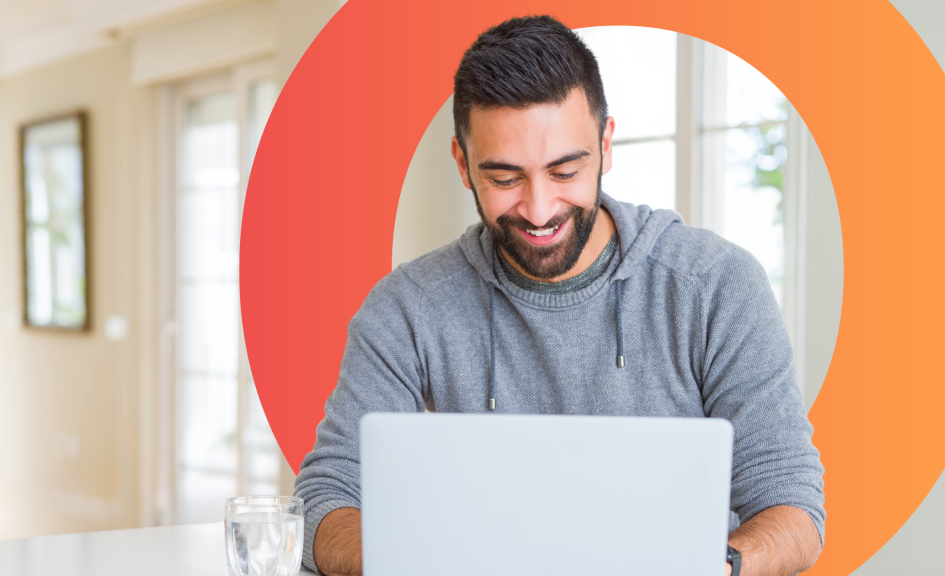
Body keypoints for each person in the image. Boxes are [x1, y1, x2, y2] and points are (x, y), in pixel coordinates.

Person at [294, 15, 824, 576]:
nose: (539, 208)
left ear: (606, 146)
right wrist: (410, 565)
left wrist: (713, 568)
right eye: (504, 179)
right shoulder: (409, 307)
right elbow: (328, 496)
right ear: (462, 164)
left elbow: (792, 506)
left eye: (565, 170)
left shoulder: (715, 286)